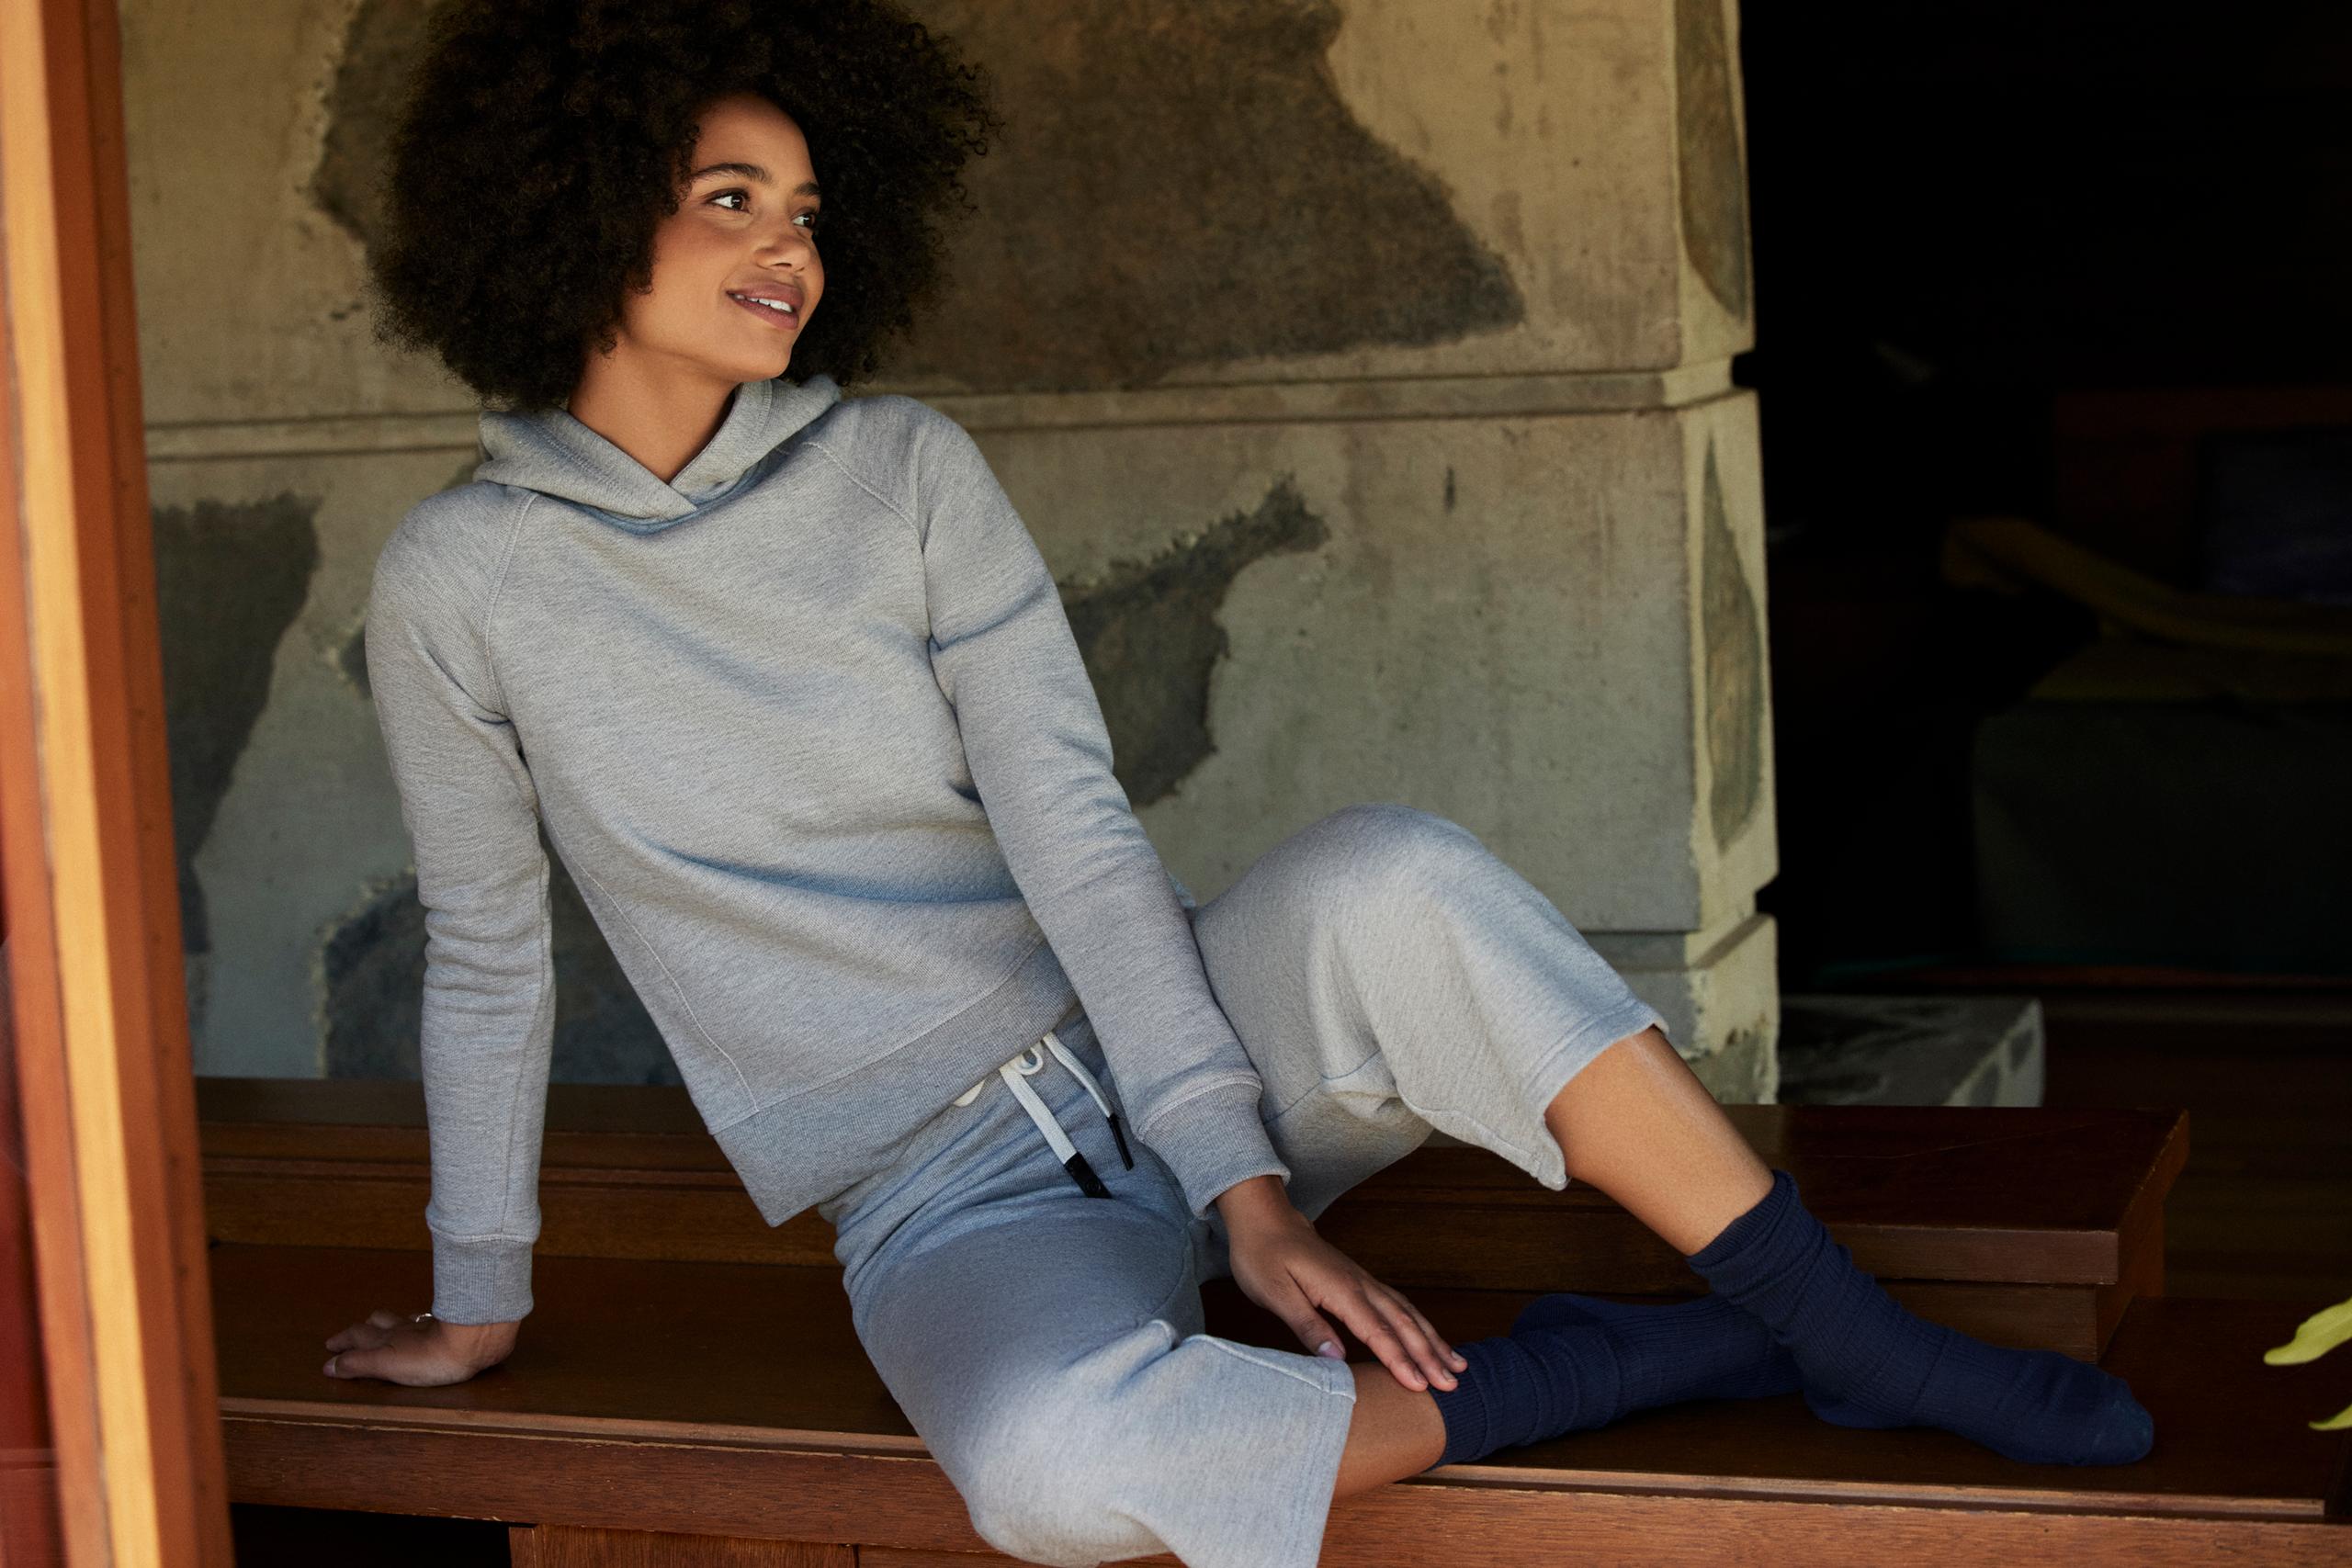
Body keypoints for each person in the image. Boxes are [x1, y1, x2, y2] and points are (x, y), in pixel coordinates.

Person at [322, 4, 2155, 1564]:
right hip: (936, 1205)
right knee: (1045, 1475)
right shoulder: (460, 582)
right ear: (569, 209)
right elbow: (491, 952)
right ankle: (1604, 1360)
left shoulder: (899, 468)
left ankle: (1842, 1328)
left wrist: (1243, 1179)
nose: (787, 251)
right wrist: (481, 1293)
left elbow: (1070, 820)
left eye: (804, 207)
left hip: (1170, 1033)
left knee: (1395, 874)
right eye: (730, 200)